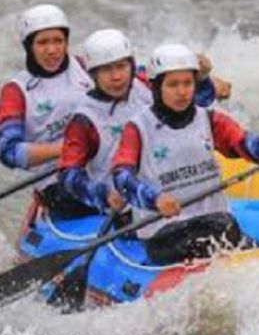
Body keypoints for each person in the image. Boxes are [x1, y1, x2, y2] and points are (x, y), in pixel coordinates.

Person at [111, 43, 259, 265]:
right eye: (173, 85)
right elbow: (121, 177)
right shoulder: (137, 128)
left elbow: (244, 142)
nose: (182, 92)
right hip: (163, 234)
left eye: (188, 83)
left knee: (226, 228)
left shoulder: (209, 119)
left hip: (215, 226)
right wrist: (155, 199)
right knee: (221, 228)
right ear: (156, 87)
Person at [57, 29, 232, 217]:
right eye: (107, 70)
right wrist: (103, 194)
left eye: (121, 66)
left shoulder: (146, 82)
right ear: (93, 74)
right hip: (129, 207)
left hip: (173, 190)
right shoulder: (84, 121)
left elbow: (194, 102)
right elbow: (69, 174)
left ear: (131, 65)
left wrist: (203, 80)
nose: (116, 77)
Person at [0, 4, 94, 216]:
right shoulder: (15, 91)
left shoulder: (87, 68)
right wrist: (66, 149)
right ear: (29, 47)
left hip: (100, 165)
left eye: (58, 41)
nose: (52, 50)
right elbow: (8, 152)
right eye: (42, 43)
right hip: (56, 180)